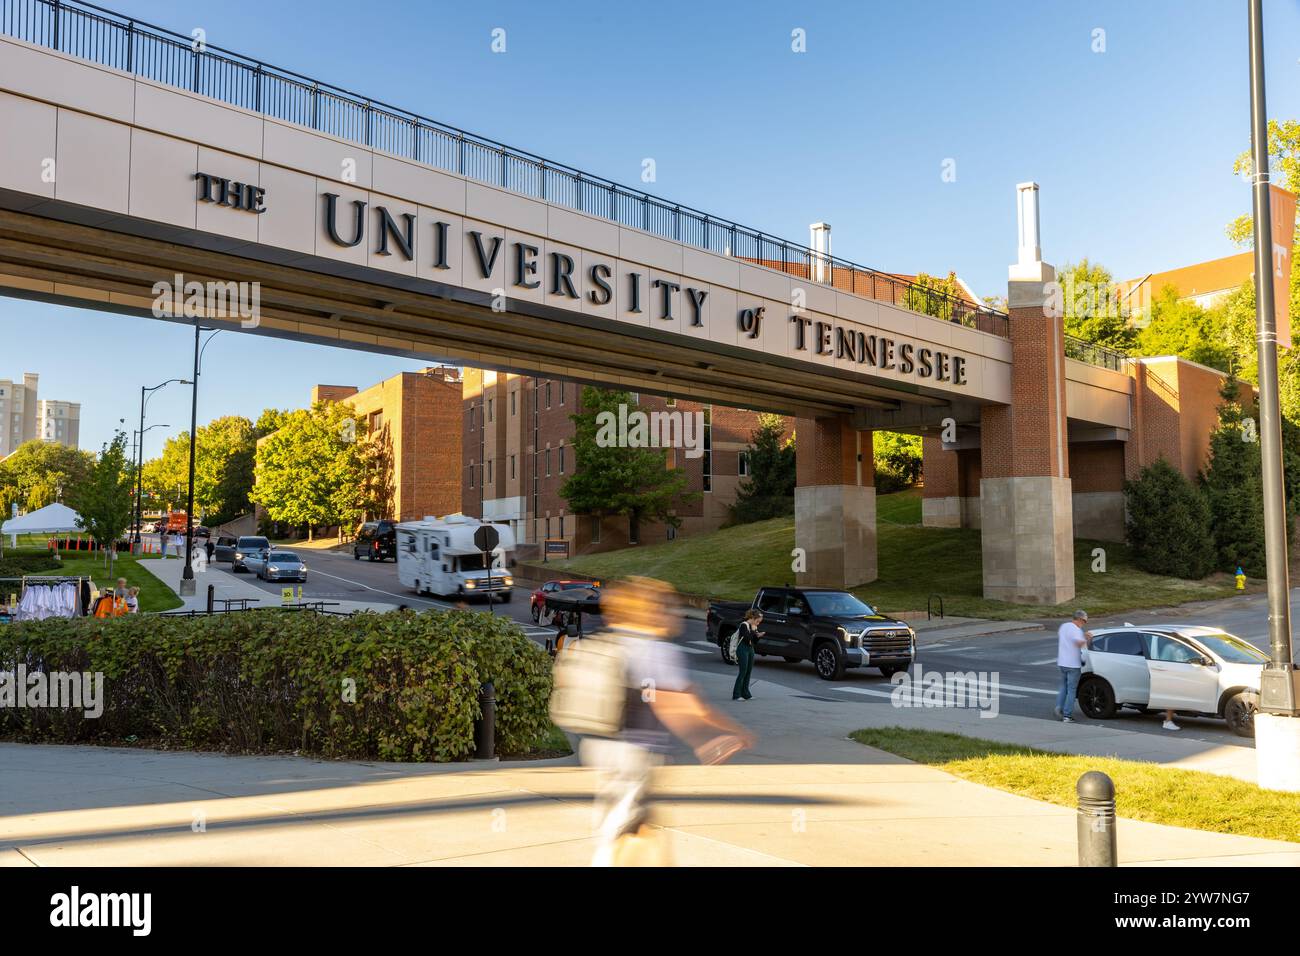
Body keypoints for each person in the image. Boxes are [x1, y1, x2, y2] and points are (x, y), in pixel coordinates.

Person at [583, 577, 754, 866]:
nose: (676, 615)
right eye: (669, 609)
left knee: (640, 828)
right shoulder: (655, 650)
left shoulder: (617, 640)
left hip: (603, 747)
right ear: (651, 612)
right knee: (617, 833)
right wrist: (714, 736)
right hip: (634, 754)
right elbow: (678, 702)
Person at [1055, 609, 1092, 723]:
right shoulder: (1076, 630)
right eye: (1085, 621)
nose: (1084, 624)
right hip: (1073, 664)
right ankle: (1067, 715)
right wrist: (1086, 637)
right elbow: (1079, 644)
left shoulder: (1064, 626)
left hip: (1062, 663)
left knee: (1063, 687)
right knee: (1072, 690)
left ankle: (1058, 708)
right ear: (1080, 619)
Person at [732, 608, 762, 701]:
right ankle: (736, 694)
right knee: (743, 671)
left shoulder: (754, 626)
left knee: (748, 672)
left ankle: (746, 694)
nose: (758, 623)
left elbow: (754, 641)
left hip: (750, 649)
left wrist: (758, 636)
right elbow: (746, 639)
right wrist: (753, 631)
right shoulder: (744, 625)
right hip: (742, 649)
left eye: (759, 622)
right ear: (753, 618)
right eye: (757, 621)